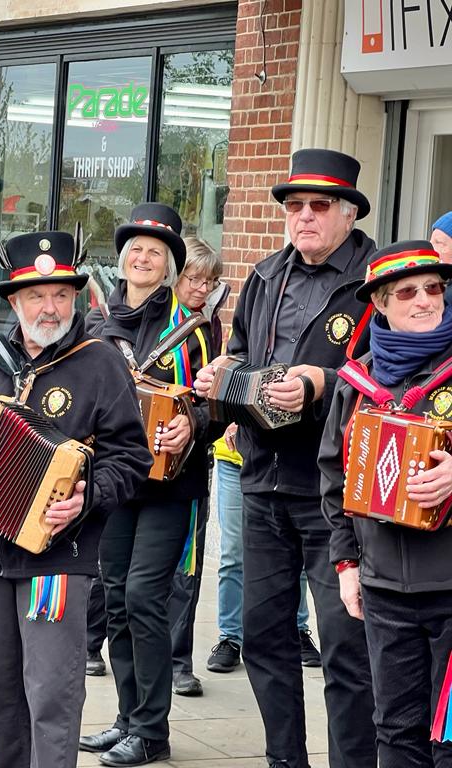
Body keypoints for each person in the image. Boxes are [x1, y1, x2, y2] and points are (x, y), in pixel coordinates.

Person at [0, 229, 151, 768]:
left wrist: (86, 495)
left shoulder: (100, 362)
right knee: (0, 687)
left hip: (57, 557)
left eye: (60, 295)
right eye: (36, 295)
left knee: (51, 691)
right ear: (14, 300)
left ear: (75, 298)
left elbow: (132, 458)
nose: (49, 308)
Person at [194, 148, 378, 768]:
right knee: (263, 637)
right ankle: (284, 760)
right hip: (262, 481)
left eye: (318, 206)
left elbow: (394, 374)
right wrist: (225, 373)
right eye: (293, 206)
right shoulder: (268, 272)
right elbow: (242, 349)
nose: (303, 217)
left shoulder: (375, 279)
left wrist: (322, 385)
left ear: (348, 213)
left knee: (347, 647)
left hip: (337, 495)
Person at [79, 204, 218, 766]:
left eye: (154, 253)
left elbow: (215, 401)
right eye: (135, 249)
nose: (142, 258)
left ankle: (153, 730)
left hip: (171, 485)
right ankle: (126, 716)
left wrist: (195, 422)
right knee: (114, 599)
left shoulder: (193, 327)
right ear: (122, 258)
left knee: (143, 596)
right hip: (113, 484)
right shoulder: (93, 325)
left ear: (169, 266)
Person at [319, 241, 452, 768]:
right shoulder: (357, 383)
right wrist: (347, 564)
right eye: (407, 292)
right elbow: (333, 478)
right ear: (379, 303)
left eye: (434, 288)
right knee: (395, 731)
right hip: (383, 589)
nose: (424, 301)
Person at [205, 434, 321, 675]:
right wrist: (232, 419)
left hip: (285, 462)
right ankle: (229, 637)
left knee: (295, 557)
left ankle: (298, 629)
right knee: (232, 555)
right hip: (232, 459)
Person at [165, 237, 225, 699]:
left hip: (191, 457)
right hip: (141, 456)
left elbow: (214, 396)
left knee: (188, 560)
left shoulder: (209, 328)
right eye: (193, 279)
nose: (201, 289)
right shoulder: (150, 318)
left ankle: (178, 660)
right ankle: (94, 640)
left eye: (210, 281)